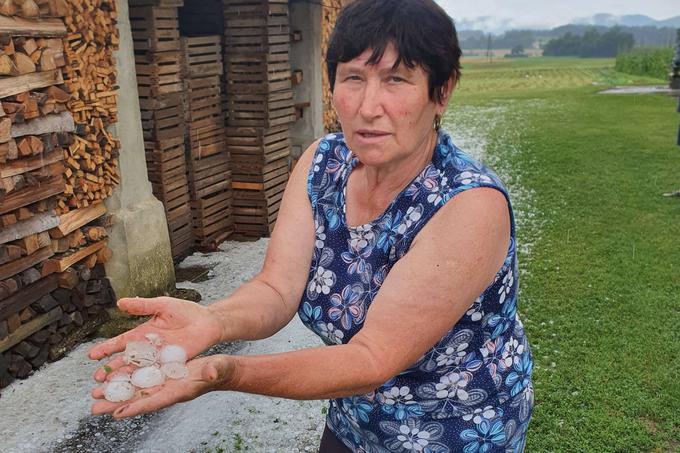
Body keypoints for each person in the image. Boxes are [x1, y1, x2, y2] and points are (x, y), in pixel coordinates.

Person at [89, 0, 534, 451]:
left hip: (456, 428)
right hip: (356, 415)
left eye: (396, 80)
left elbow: (372, 357)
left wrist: (226, 372)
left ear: (441, 91)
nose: (367, 106)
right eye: (353, 78)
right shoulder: (324, 163)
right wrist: (213, 321)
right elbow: (277, 289)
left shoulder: (468, 203)